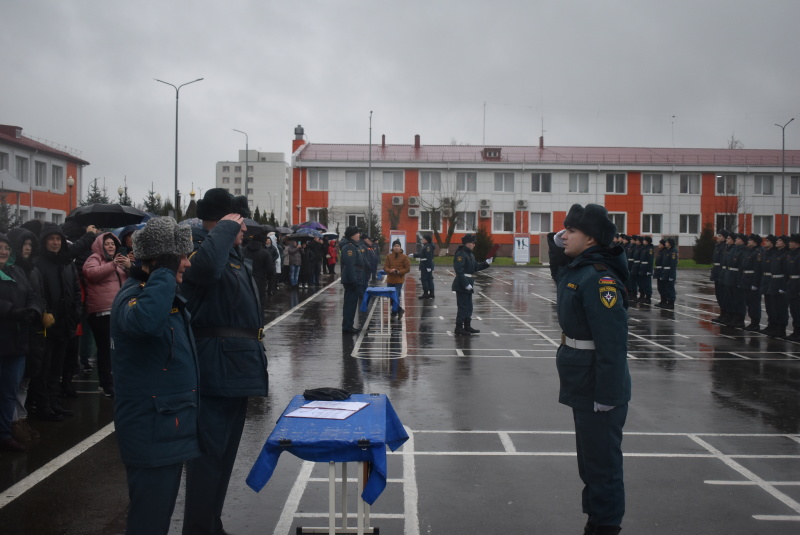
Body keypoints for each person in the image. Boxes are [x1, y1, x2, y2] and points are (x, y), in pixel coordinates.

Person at [110, 217, 199, 535]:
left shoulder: (160, 294)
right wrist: (164, 271)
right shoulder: (133, 296)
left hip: (166, 429)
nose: (187, 264)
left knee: (158, 518)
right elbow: (145, 323)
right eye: (180, 257)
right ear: (160, 261)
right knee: (149, 522)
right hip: (151, 431)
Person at [547, 203, 630, 535]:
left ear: (592, 239)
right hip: (582, 380)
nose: (564, 236)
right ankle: (595, 518)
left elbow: (612, 343)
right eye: (564, 231)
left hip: (598, 384)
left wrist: (607, 395)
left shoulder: (599, 280)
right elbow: (559, 268)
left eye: (572, 231)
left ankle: (606, 525)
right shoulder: (579, 268)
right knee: (590, 463)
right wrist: (563, 234)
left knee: (602, 465)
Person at [30, 223, 81, 421]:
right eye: (51, 239)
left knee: (57, 368)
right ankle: (43, 406)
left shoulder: (66, 263)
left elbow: (76, 290)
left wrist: (76, 313)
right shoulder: (38, 264)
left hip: (65, 323)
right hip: (47, 325)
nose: (55, 242)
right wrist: (44, 313)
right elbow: (35, 292)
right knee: (45, 368)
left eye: (58, 239)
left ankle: (54, 402)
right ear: (44, 241)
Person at [0, 232, 41, 452]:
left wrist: (33, 310)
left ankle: (5, 433)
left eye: (6, 248)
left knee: (9, 391)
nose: (3, 252)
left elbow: (32, 295)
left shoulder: (17, 271)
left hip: (16, 343)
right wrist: (12, 311)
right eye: (0, 248)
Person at [7, 227, 46, 444]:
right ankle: (12, 422)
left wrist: (41, 311)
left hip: (34, 328)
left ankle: (20, 418)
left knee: (26, 377)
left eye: (31, 245)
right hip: (15, 331)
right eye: (24, 244)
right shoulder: (10, 271)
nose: (28, 249)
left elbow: (37, 295)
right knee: (13, 380)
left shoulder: (32, 270)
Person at [82, 232, 131, 397]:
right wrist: (112, 265)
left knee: (117, 349)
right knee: (105, 349)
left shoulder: (118, 260)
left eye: (112, 244)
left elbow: (130, 279)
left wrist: (129, 265)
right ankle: (106, 384)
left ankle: (116, 381)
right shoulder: (94, 258)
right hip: (102, 313)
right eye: (107, 243)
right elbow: (90, 273)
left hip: (119, 311)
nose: (110, 246)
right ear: (100, 245)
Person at [451, 233, 493, 335]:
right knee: (463, 306)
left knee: (469, 306)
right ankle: (458, 327)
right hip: (462, 283)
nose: (474, 244)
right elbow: (459, 271)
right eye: (473, 242)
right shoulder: (461, 254)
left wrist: (486, 263)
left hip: (469, 282)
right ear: (467, 243)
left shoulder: (470, 254)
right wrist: (465, 284)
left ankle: (467, 326)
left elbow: (475, 268)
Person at [340, 226, 365, 334]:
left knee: (351, 303)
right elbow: (350, 265)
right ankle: (347, 326)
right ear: (352, 235)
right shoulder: (349, 247)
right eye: (357, 233)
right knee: (350, 304)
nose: (359, 235)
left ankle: (348, 325)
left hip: (353, 278)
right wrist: (354, 280)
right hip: (351, 280)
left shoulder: (352, 245)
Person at [741, 234, 764, 332]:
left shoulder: (758, 252)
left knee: (754, 303)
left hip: (752, 279)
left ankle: (755, 323)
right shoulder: (748, 251)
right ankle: (752, 322)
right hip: (746, 279)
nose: (748, 242)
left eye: (750, 240)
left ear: (755, 242)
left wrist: (755, 283)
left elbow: (757, 269)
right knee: (749, 302)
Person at [383, 239, 411, 318]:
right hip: (390, 280)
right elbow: (385, 267)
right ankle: (399, 310)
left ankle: (394, 313)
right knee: (390, 297)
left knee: (396, 296)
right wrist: (390, 270)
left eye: (398, 246)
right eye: (395, 246)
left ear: (400, 247)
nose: (396, 248)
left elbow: (407, 268)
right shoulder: (389, 256)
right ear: (392, 247)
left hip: (399, 280)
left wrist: (399, 272)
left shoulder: (404, 257)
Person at [411, 234, 435, 299]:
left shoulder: (427, 247)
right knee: (429, 279)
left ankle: (426, 293)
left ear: (426, 240)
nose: (422, 240)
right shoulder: (427, 246)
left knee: (425, 280)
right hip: (426, 265)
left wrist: (429, 267)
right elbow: (421, 254)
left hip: (425, 265)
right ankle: (431, 293)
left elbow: (429, 257)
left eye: (423, 239)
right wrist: (414, 255)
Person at [786, 234, 800, 341]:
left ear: (796, 243)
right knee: (794, 310)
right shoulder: (791, 254)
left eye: (791, 241)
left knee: (798, 310)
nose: (789, 243)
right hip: (791, 284)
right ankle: (796, 331)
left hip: (797, 285)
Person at [660, 238, 678, 309]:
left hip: (670, 272)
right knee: (666, 287)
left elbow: (673, 265)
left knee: (670, 288)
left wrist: (671, 275)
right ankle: (668, 301)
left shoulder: (673, 252)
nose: (665, 243)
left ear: (670, 244)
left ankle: (671, 302)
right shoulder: (666, 251)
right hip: (665, 272)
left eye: (667, 242)